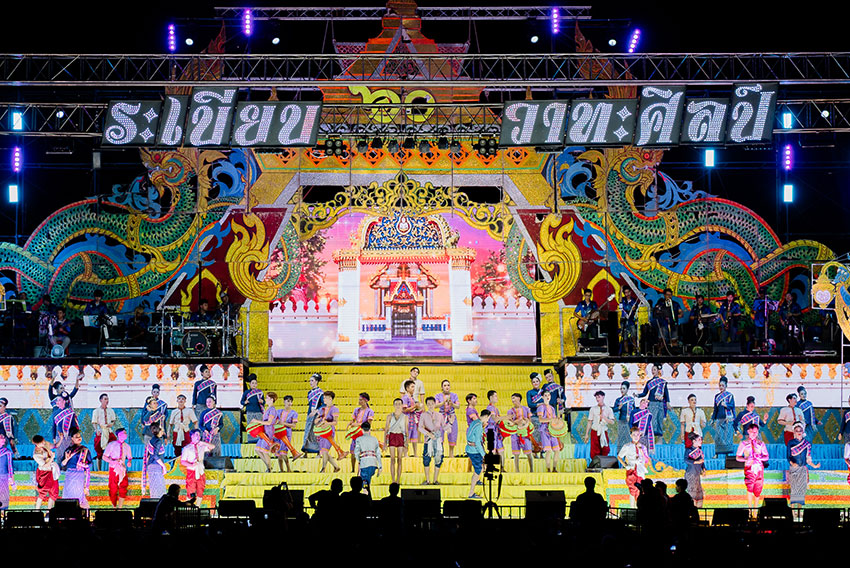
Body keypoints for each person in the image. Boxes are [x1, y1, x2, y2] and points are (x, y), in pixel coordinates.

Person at [787, 422, 820, 508]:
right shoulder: (791, 443)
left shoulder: (807, 444)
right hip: (794, 469)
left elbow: (808, 459)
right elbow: (788, 456)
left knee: (801, 490)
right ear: (794, 432)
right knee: (794, 489)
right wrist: (792, 463)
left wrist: (814, 466)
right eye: (797, 430)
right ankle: (793, 511)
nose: (798, 432)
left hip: (803, 469)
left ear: (803, 431)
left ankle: (800, 511)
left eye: (800, 430)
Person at [736, 423, 769, 509]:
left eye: (756, 432)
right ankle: (750, 509)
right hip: (749, 467)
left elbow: (766, 456)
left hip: (759, 468)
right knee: (750, 487)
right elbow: (738, 457)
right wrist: (746, 459)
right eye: (752, 432)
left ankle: (755, 510)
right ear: (748, 431)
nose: (754, 434)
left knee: (758, 489)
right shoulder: (744, 443)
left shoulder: (761, 443)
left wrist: (760, 457)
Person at [637, 364, 672, 444]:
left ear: (658, 371)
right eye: (652, 370)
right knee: (652, 421)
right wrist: (638, 395)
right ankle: (650, 439)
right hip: (652, 404)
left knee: (659, 420)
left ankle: (659, 439)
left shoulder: (662, 382)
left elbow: (666, 394)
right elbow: (644, 393)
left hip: (660, 404)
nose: (653, 371)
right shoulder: (649, 382)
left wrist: (667, 403)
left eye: (655, 370)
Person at [618, 427, 651, 508]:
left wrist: (641, 450)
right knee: (632, 490)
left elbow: (646, 460)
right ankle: (632, 509)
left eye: (637, 435)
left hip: (640, 471)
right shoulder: (627, 446)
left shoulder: (643, 447)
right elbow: (619, 456)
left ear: (640, 435)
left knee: (640, 490)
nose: (636, 437)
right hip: (631, 470)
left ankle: (639, 508)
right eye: (634, 435)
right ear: (631, 435)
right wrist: (625, 465)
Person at [61, 428, 92, 510]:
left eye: (79, 436)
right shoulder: (69, 450)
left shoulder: (85, 450)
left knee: (79, 493)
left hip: (79, 474)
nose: (79, 438)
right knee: (69, 493)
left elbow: (90, 464)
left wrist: (84, 465)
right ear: (72, 438)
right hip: (70, 474)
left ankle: (81, 512)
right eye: (76, 437)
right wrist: (67, 459)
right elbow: (62, 464)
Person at [316, 390, 346, 472]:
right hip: (321, 431)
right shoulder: (322, 409)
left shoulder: (335, 409)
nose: (324, 400)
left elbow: (335, 422)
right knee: (323, 451)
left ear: (330, 398)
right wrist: (318, 421)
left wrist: (327, 423)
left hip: (329, 431)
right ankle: (336, 467)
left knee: (325, 450)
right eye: (324, 398)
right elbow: (317, 420)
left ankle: (323, 468)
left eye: (325, 398)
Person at [180, 429, 214, 502]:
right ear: (192, 436)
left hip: (200, 471)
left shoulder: (201, 446)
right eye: (196, 435)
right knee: (191, 490)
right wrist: (191, 465)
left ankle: (198, 506)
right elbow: (183, 461)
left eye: (199, 435)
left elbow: (212, 446)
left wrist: (203, 443)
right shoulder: (187, 448)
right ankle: (189, 506)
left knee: (200, 489)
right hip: (192, 471)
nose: (198, 437)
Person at [103, 427, 132, 508]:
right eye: (124, 433)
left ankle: (120, 508)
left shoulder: (127, 446)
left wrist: (129, 462)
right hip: (114, 468)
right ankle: (114, 507)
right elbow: (104, 457)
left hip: (122, 468)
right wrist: (112, 461)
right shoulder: (111, 445)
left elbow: (129, 457)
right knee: (113, 487)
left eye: (126, 433)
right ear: (119, 435)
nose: (125, 434)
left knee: (123, 486)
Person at [466, 408, 490, 499]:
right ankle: (471, 493)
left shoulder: (475, 422)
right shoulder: (479, 426)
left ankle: (477, 480)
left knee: (481, 468)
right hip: (474, 451)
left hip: (470, 448)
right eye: (488, 418)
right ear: (486, 416)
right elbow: (477, 442)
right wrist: (484, 454)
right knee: (478, 470)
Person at [507, 393, 534, 472]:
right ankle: (517, 470)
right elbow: (509, 423)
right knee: (516, 454)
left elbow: (529, 420)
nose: (512, 400)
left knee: (529, 452)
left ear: (519, 398)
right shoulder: (510, 411)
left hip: (525, 433)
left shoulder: (526, 409)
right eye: (512, 398)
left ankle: (531, 470)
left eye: (514, 398)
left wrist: (525, 423)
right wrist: (517, 421)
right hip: (515, 433)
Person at [352, 421, 382, 492]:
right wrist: (380, 466)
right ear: (369, 429)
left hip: (365, 463)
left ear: (362, 429)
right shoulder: (374, 439)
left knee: (365, 485)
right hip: (373, 463)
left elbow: (356, 452)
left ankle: (366, 496)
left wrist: (359, 460)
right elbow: (378, 453)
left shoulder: (359, 439)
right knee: (367, 483)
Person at [420, 396, 443, 485]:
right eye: (428, 404)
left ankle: (435, 480)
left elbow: (444, 427)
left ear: (435, 404)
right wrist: (428, 434)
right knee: (426, 459)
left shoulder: (440, 415)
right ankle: (427, 480)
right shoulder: (423, 415)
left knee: (439, 459)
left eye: (432, 404)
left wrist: (450, 423)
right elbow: (420, 427)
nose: (430, 406)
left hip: (438, 441)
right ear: (426, 405)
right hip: (428, 440)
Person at [32, 435, 59, 510]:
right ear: (37, 444)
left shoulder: (45, 444)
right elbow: (45, 465)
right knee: (42, 492)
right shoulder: (36, 454)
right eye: (42, 442)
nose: (44, 443)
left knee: (53, 492)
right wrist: (52, 457)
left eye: (43, 441)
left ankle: (49, 511)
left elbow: (55, 446)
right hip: (44, 473)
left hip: (52, 471)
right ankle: (37, 511)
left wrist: (61, 439)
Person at [348, 392, 374, 469]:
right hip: (356, 433)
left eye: (361, 400)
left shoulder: (370, 411)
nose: (359, 401)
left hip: (364, 433)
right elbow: (353, 420)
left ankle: (362, 468)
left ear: (366, 401)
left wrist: (357, 424)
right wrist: (350, 423)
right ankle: (353, 469)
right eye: (359, 400)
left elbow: (368, 424)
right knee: (353, 451)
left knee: (363, 452)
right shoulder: (357, 410)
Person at [711, 377, 736, 458]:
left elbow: (732, 406)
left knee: (727, 437)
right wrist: (713, 419)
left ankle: (727, 454)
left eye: (723, 385)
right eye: (720, 385)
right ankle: (717, 454)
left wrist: (726, 405)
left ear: (726, 386)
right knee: (718, 437)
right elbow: (715, 409)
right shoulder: (716, 396)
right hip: (719, 419)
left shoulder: (730, 396)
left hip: (728, 419)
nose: (721, 387)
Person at [90, 393, 116, 470]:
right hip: (101, 431)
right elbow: (94, 422)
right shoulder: (96, 411)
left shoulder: (111, 410)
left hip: (109, 431)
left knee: (114, 446)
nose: (107, 401)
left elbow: (113, 420)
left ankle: (112, 468)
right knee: (99, 450)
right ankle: (99, 470)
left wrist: (111, 424)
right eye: (105, 399)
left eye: (107, 399)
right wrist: (97, 430)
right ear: (101, 400)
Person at [586, 390, 615, 460]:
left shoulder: (609, 409)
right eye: (596, 397)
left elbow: (612, 422)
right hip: (595, 431)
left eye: (599, 397)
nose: (597, 399)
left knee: (605, 448)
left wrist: (604, 418)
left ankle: (604, 463)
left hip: (603, 431)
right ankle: (596, 463)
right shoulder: (593, 409)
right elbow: (590, 421)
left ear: (603, 397)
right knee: (594, 450)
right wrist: (587, 434)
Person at [385, 398, 408, 485]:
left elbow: (406, 431)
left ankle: (398, 479)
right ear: (394, 405)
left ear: (402, 405)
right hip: (392, 436)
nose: (398, 406)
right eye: (396, 404)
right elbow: (386, 429)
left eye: (399, 404)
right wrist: (385, 442)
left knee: (399, 459)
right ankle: (393, 480)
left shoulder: (405, 417)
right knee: (392, 459)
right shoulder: (389, 416)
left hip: (400, 436)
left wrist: (406, 443)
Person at [435, 380, 460, 458]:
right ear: (442, 387)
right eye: (445, 385)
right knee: (440, 435)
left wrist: (452, 404)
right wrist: (443, 402)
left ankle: (451, 453)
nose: (447, 387)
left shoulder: (454, 395)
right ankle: (441, 452)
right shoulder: (438, 395)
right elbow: (436, 405)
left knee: (453, 434)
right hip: (441, 416)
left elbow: (458, 406)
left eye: (448, 385)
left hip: (451, 416)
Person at [536, 390, 560, 472]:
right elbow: (540, 420)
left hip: (552, 430)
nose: (547, 397)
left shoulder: (552, 408)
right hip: (544, 430)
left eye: (548, 395)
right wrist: (551, 419)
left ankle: (554, 468)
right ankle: (548, 469)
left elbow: (554, 419)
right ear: (542, 397)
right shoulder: (541, 407)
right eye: (545, 395)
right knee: (548, 451)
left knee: (557, 450)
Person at [143, 423, 168, 500]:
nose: (163, 430)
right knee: (159, 491)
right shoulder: (158, 441)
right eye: (161, 429)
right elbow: (155, 455)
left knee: (154, 490)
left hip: (151, 466)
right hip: (156, 467)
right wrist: (164, 466)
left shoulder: (152, 440)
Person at [302, 372, 324, 455]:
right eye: (310, 381)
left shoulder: (320, 393)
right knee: (307, 432)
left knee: (316, 433)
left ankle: (318, 452)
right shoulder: (309, 392)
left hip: (316, 416)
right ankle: (306, 452)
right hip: (310, 415)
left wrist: (316, 411)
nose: (310, 382)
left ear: (316, 381)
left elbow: (323, 404)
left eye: (312, 381)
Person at [277, 395, 302, 468]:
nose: (289, 403)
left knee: (283, 452)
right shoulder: (278, 411)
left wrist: (283, 423)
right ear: (284, 402)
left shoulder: (294, 413)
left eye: (291, 401)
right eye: (288, 401)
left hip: (286, 433)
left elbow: (293, 425)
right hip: (277, 433)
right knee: (278, 453)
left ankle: (288, 469)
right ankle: (282, 470)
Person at [52, 392, 78, 459]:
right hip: (59, 437)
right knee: (60, 455)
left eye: (59, 400)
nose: (57, 402)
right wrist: (54, 438)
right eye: (57, 400)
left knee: (69, 455)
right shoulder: (55, 413)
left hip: (69, 437)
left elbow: (74, 426)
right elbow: (54, 426)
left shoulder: (70, 412)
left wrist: (74, 437)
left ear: (64, 401)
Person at [241, 373, 265, 441]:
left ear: (257, 384)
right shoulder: (246, 392)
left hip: (258, 412)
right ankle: (250, 440)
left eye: (255, 383)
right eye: (252, 383)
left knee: (259, 426)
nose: (254, 385)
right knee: (251, 426)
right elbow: (241, 402)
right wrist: (245, 402)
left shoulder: (260, 392)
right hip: (250, 412)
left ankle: (260, 440)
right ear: (250, 384)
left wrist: (262, 401)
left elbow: (264, 402)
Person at [684, 433, 706, 507]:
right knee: (692, 493)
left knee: (699, 494)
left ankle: (699, 510)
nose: (701, 441)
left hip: (697, 474)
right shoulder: (689, 450)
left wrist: (703, 469)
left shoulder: (699, 450)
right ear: (694, 441)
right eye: (699, 440)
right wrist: (696, 462)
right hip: (691, 473)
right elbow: (686, 460)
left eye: (701, 440)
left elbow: (702, 461)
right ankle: (692, 509)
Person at [612, 381, 635, 450]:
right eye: (621, 388)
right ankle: (620, 454)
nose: (622, 390)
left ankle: (629, 454)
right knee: (621, 438)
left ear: (627, 389)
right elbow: (614, 410)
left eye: (624, 388)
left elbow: (634, 411)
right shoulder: (618, 400)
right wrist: (618, 408)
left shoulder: (631, 399)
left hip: (629, 422)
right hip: (621, 420)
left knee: (629, 438)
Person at [485, 390, 505, 467]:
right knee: (492, 449)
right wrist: (506, 417)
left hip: (496, 430)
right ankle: (489, 467)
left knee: (501, 449)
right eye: (495, 396)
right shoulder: (490, 408)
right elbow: (495, 419)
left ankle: (502, 468)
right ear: (491, 397)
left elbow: (498, 420)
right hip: (491, 429)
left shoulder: (495, 408)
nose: (497, 398)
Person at [526, 373, 544, 455]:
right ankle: (535, 451)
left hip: (543, 416)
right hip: (534, 416)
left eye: (537, 381)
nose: (535, 383)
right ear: (531, 383)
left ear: (539, 382)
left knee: (543, 434)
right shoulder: (529, 392)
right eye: (533, 382)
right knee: (535, 434)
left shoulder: (543, 392)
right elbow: (530, 404)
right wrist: (539, 404)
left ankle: (542, 452)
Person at [401, 381, 420, 457]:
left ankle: (415, 453)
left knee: (414, 435)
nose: (413, 388)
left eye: (414, 387)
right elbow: (404, 410)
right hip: (407, 418)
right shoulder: (405, 398)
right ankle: (405, 453)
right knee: (406, 436)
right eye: (412, 387)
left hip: (413, 418)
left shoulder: (412, 398)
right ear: (407, 388)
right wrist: (414, 406)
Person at [619, 287, 639, 355]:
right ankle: (626, 352)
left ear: (630, 292)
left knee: (633, 336)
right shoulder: (623, 300)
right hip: (624, 320)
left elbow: (636, 309)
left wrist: (634, 309)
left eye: (628, 292)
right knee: (625, 337)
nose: (627, 294)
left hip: (631, 321)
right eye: (625, 293)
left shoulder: (634, 301)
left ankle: (635, 351)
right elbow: (620, 300)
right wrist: (621, 290)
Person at [0, 432, 15, 511]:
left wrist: (13, 483)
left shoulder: (7, 452)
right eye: (1, 438)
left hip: (3, 477)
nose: (4, 440)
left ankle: (4, 513)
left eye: (4, 438)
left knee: (4, 499)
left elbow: (10, 467)